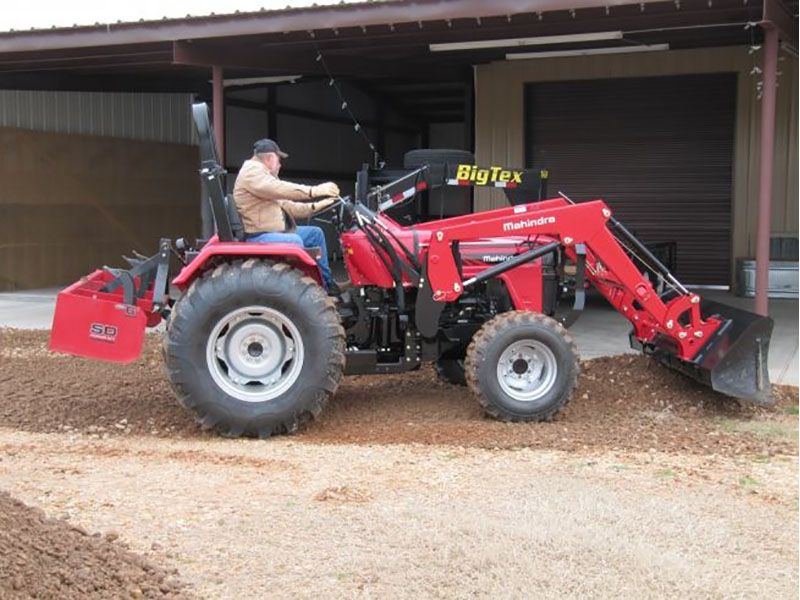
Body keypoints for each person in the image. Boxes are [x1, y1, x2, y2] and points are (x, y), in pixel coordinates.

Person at [233, 138, 340, 290]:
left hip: (273, 230)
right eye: (278, 160)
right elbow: (280, 189)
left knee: (315, 234)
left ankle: (328, 285)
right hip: (259, 235)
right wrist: (314, 191)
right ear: (269, 158)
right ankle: (304, 291)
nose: (280, 165)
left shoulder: (263, 177)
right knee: (294, 241)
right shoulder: (252, 171)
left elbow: (288, 206)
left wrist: (317, 205)